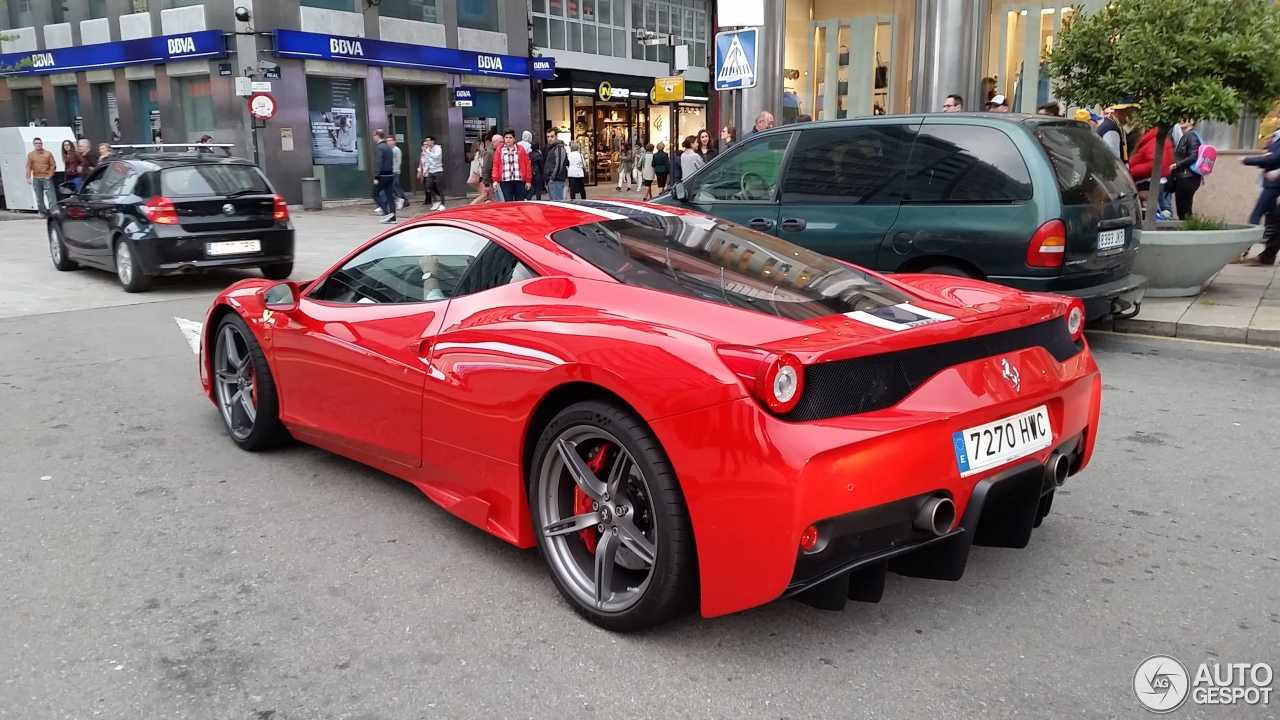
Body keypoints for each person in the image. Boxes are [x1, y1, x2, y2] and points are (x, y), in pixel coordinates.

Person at [1236, 130, 1280, 266]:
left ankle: (1244, 252)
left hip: (1274, 184)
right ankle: (1266, 256)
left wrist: (1248, 160)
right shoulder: (1275, 137)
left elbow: (1274, 158)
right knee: (1275, 218)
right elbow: (1272, 158)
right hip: (1273, 182)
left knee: (1257, 215)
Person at [1128, 125, 1174, 208]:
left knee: (1151, 212)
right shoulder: (1155, 140)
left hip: (1149, 183)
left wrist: (1132, 171)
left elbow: (1154, 165)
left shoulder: (1154, 141)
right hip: (1156, 182)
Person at [1168, 118, 1204, 220]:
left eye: (1185, 118)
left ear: (1192, 121)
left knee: (1184, 209)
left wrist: (1177, 165)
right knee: (1183, 208)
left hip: (1187, 177)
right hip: (1186, 176)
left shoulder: (1191, 136)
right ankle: (1186, 229)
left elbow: (1193, 156)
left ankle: (1187, 231)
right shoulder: (1187, 136)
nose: (1181, 120)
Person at [492, 128, 532, 202]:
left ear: (514, 139)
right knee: (508, 202)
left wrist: (528, 180)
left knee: (519, 201)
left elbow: (527, 164)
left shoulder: (520, 149)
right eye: (506, 138)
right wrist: (495, 180)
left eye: (510, 138)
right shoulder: (499, 150)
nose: (508, 140)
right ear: (504, 139)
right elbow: (495, 165)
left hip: (519, 180)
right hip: (505, 180)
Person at [25, 137, 56, 217]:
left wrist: (49, 175)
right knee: (39, 197)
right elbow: (28, 166)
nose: (38, 145)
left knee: (51, 196)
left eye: (39, 143)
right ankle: (42, 212)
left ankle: (53, 212)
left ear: (42, 144)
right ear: (33, 144)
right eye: (36, 143)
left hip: (46, 176)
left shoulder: (47, 153)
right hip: (36, 177)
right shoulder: (31, 154)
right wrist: (28, 176)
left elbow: (53, 165)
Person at [371, 129, 397, 223]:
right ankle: (393, 217)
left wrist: (376, 176)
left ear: (378, 135)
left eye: (374, 135)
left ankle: (386, 213)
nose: (373, 137)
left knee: (375, 194)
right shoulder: (388, 147)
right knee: (390, 196)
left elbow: (379, 162)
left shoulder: (379, 148)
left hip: (382, 175)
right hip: (390, 174)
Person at [419, 136, 445, 212]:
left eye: (428, 140)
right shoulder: (428, 149)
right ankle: (437, 200)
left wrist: (427, 152)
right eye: (425, 141)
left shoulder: (438, 148)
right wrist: (425, 171)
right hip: (430, 171)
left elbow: (436, 157)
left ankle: (442, 204)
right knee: (428, 187)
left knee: (440, 188)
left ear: (433, 141)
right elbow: (427, 161)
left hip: (438, 170)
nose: (426, 142)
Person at [542, 128, 569, 201]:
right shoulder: (552, 148)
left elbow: (559, 165)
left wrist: (552, 178)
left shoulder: (559, 148)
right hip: (552, 180)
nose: (550, 139)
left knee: (557, 202)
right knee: (554, 203)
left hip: (556, 180)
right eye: (548, 137)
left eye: (552, 136)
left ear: (556, 137)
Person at [387, 136, 408, 210]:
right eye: (387, 141)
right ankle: (404, 200)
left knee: (393, 186)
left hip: (394, 171)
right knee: (396, 186)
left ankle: (400, 199)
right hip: (392, 170)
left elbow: (398, 161)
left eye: (390, 140)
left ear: (394, 141)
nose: (388, 142)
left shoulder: (396, 150)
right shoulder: (391, 150)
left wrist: (394, 170)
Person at [467, 140, 490, 205]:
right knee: (483, 194)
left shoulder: (473, 155)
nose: (483, 147)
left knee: (481, 194)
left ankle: (479, 207)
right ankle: (470, 206)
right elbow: (482, 166)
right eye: (481, 146)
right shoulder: (478, 155)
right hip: (480, 177)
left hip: (476, 177)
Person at [481, 134, 501, 202]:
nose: (503, 143)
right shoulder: (490, 153)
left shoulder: (500, 151)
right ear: (494, 142)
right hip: (493, 181)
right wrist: (486, 184)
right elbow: (486, 168)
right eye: (500, 142)